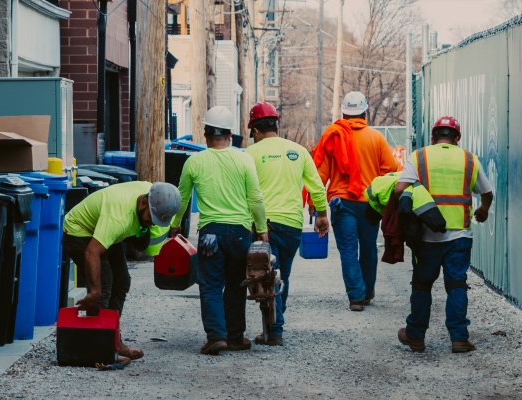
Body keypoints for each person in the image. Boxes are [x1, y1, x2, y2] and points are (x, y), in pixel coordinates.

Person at [170, 105, 269, 355]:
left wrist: (174, 225)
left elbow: (181, 198)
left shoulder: (194, 162)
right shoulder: (244, 159)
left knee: (211, 284)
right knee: (236, 284)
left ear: (205, 133)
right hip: (239, 232)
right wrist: (261, 229)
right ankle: (235, 337)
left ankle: (216, 337)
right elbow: (256, 198)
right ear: (229, 134)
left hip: (210, 233)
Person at [393, 116, 494, 353]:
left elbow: (400, 189)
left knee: (422, 284)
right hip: (460, 235)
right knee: (457, 284)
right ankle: (459, 338)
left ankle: (415, 335)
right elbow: (487, 192)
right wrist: (483, 210)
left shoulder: (420, 156)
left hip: (426, 236)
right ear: (457, 138)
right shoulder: (469, 159)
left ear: (433, 136)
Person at [62, 181, 181, 361]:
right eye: (150, 219)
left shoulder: (154, 194)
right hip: (79, 231)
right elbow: (91, 252)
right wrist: (94, 291)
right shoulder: (119, 218)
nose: (150, 224)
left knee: (122, 282)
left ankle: (113, 340)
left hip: (104, 227)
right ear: (143, 203)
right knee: (103, 285)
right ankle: (99, 350)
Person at [245, 102, 330, 346]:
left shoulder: (251, 154)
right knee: (282, 275)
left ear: (256, 131)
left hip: (263, 226)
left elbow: (244, 192)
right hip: (292, 224)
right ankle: (273, 327)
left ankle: (275, 330)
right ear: (277, 125)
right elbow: (316, 186)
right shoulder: (299, 151)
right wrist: (322, 215)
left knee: (265, 277)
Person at [310, 91, 397, 311]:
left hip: (342, 203)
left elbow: (319, 175)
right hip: (369, 203)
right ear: (365, 113)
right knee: (368, 248)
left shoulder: (334, 136)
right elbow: (392, 170)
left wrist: (314, 204)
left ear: (344, 113)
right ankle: (367, 291)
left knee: (348, 250)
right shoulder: (376, 138)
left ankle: (356, 297)